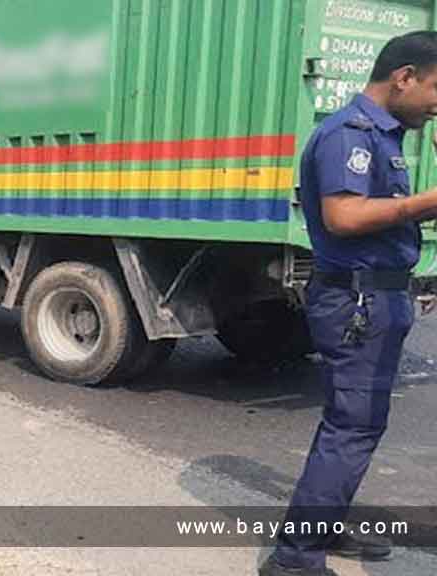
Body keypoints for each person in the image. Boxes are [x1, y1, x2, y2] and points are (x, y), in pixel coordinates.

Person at [260, 31, 437, 576]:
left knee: (355, 423)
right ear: (403, 78)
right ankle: (294, 560)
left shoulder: (384, 136)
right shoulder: (349, 134)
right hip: (358, 300)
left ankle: (323, 525)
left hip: (376, 293)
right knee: (353, 426)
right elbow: (344, 217)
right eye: (436, 89)